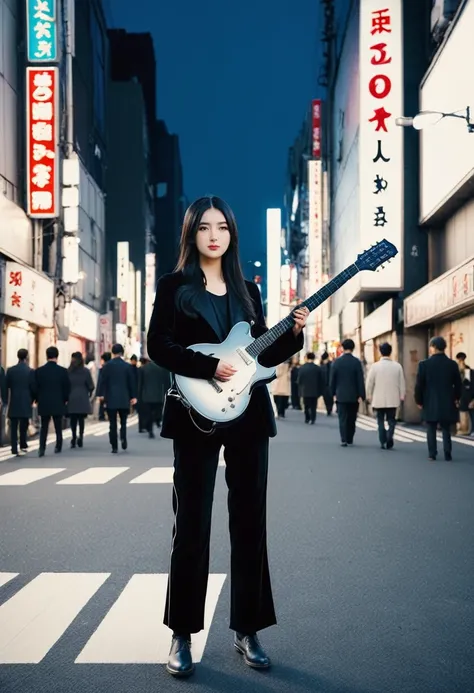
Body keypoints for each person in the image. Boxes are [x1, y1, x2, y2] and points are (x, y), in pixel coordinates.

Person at [146, 196, 307, 678]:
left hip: (248, 415)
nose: (214, 235)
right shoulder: (173, 286)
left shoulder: (249, 290)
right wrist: (207, 365)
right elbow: (159, 345)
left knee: (250, 523)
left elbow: (260, 355)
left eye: (222, 227)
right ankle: (181, 633)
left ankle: (248, 629)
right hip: (195, 414)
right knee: (191, 523)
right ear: (191, 234)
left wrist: (294, 333)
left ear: (232, 234)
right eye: (204, 227)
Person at [415, 336, 462, 461]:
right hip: (448, 401)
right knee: (446, 428)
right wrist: (457, 398)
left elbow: (419, 385)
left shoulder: (424, 364)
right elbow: (458, 384)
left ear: (433, 347)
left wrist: (419, 400)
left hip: (430, 401)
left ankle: (432, 454)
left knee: (431, 428)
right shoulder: (452, 364)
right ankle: (448, 453)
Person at [97, 344, 137, 453]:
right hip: (124, 398)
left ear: (112, 353)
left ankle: (114, 446)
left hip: (110, 398)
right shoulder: (127, 366)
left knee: (112, 423)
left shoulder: (107, 366)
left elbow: (102, 382)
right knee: (123, 422)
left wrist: (100, 395)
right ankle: (123, 438)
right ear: (122, 353)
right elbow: (131, 383)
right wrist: (133, 396)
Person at [365, 342, 406, 449]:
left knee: (380, 421)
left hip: (378, 400)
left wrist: (368, 395)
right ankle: (389, 436)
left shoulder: (375, 366)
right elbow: (402, 382)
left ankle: (382, 439)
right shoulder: (397, 366)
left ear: (380, 352)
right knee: (392, 420)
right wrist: (402, 395)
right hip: (393, 399)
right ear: (390, 352)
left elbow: (369, 383)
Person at [33, 346, 70, 457]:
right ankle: (58, 446)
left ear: (46, 356)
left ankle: (42, 448)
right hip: (58, 402)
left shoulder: (39, 371)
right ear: (57, 356)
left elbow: (35, 387)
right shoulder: (63, 371)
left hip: (44, 402)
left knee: (44, 426)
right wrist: (65, 400)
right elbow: (67, 387)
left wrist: (37, 399)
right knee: (58, 426)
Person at [330, 338, 365, 447]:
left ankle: (343, 438)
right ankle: (350, 437)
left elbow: (332, 380)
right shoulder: (356, 362)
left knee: (342, 417)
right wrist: (361, 395)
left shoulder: (337, 362)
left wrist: (332, 393)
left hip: (340, 394)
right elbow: (360, 379)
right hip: (354, 395)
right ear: (353, 348)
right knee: (352, 417)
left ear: (342, 348)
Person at [5, 349, 35, 456]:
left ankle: (14, 447)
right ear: (26, 357)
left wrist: (5, 400)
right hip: (26, 401)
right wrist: (33, 399)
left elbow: (6, 386)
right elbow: (33, 387)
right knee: (24, 424)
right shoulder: (30, 371)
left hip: (14, 400)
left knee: (13, 426)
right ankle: (23, 444)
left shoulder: (10, 370)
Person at [67, 352, 95, 448]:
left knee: (73, 419)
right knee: (81, 419)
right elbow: (91, 385)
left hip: (71, 398)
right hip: (82, 398)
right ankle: (81, 437)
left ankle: (74, 437)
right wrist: (89, 393)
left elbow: (65, 386)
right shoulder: (86, 371)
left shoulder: (68, 371)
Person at [138, 357, 170, 437]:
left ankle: (150, 429)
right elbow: (167, 383)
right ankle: (157, 421)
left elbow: (140, 384)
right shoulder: (162, 368)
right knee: (157, 412)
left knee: (148, 413)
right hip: (158, 395)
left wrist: (139, 395)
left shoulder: (144, 368)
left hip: (147, 395)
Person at [297, 352, 323, 424]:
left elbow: (299, 380)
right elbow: (321, 380)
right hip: (315, 390)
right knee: (313, 406)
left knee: (306, 405)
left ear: (307, 358)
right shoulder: (317, 368)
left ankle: (307, 418)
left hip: (305, 390)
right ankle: (313, 418)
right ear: (314, 358)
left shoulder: (302, 368)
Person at [455, 352, 474, 435]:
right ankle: (464, 429)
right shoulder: (457, 370)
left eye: (461, 359)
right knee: (462, 412)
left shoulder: (468, 370)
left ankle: (471, 429)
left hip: (468, 396)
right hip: (461, 395)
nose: (460, 361)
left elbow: (468, 385)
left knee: (471, 413)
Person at [97, 352, 111, 421]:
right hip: (110, 391)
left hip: (103, 391)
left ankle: (101, 416)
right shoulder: (112, 368)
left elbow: (100, 382)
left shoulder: (102, 369)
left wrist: (99, 394)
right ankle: (108, 415)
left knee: (102, 405)